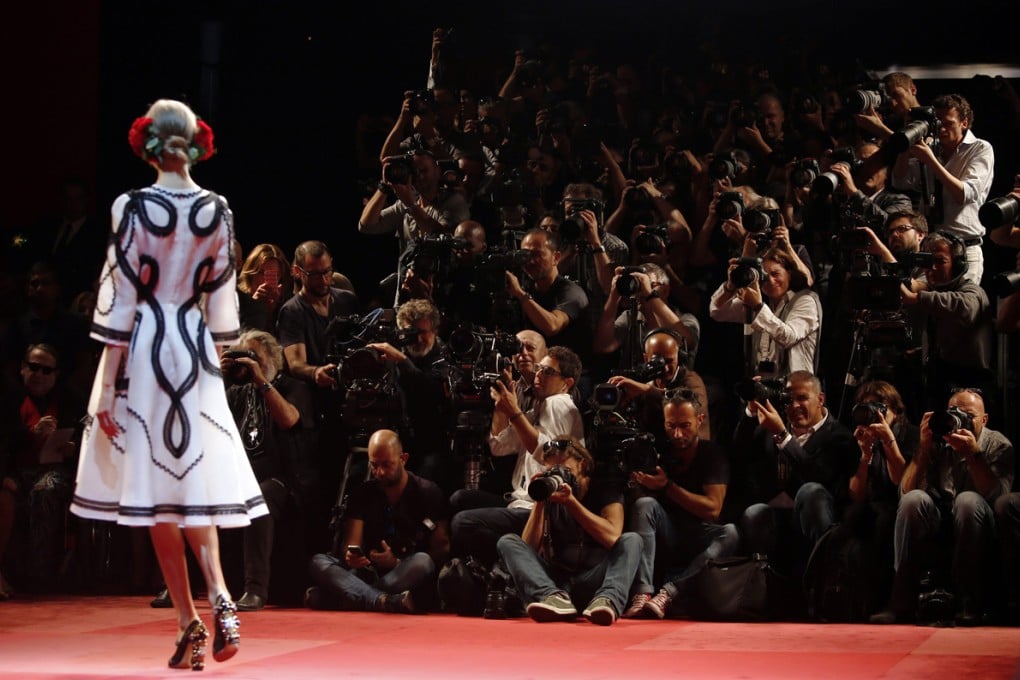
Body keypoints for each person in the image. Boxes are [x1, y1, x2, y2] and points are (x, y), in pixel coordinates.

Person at [69, 100, 267, 670]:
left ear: (150, 144)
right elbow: (224, 305)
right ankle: (221, 595)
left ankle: (189, 621)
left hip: (148, 342)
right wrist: (211, 354)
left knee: (159, 493)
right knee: (193, 483)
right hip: (194, 344)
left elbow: (121, 298)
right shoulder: (217, 207)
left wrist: (106, 385)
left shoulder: (131, 206)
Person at [872, 388, 1013, 626]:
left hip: (979, 522)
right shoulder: (938, 439)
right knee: (913, 500)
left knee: (968, 500)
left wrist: (973, 455)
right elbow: (904, 491)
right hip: (941, 517)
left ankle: (969, 603)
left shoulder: (998, 445)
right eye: (954, 413)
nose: (960, 421)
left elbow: (997, 496)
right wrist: (923, 449)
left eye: (968, 415)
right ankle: (900, 602)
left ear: (984, 419)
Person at [450, 345, 584, 567]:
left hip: (541, 508)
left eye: (548, 372)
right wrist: (503, 405)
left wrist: (514, 412)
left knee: (463, 522)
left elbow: (548, 455)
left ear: (567, 383)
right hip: (519, 500)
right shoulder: (537, 409)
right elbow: (499, 446)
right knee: (460, 499)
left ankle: (520, 560)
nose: (539, 375)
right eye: (539, 369)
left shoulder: (558, 403)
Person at [496, 436, 641, 626]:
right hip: (558, 582)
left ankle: (608, 601)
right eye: (552, 471)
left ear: (581, 464)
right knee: (508, 542)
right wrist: (540, 500)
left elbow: (612, 536)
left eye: (564, 469)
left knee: (632, 540)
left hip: (594, 580)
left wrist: (571, 503)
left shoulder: (604, 486)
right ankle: (551, 597)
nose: (559, 475)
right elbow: (528, 548)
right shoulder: (550, 492)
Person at [727, 371, 858, 580]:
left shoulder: (839, 436)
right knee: (755, 513)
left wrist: (783, 436)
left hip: (816, 520)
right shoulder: (773, 424)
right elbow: (739, 453)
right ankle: (763, 585)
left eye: (803, 398)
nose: (795, 406)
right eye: (789, 399)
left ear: (820, 399)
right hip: (777, 519)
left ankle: (827, 581)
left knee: (811, 491)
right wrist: (751, 411)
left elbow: (818, 476)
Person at [220, 330, 317, 611]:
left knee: (259, 498)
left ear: (274, 359)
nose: (249, 365)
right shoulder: (237, 393)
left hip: (284, 481)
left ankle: (255, 590)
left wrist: (261, 381)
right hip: (243, 476)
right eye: (244, 358)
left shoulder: (293, 387)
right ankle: (183, 585)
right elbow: (208, 417)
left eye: (255, 358)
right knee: (197, 492)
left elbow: (288, 419)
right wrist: (220, 376)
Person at [306, 429, 450, 613]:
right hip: (366, 574)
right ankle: (382, 600)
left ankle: (349, 598)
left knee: (423, 562)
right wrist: (352, 558)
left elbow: (442, 549)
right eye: (374, 465)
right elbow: (351, 544)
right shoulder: (362, 493)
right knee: (318, 561)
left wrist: (396, 562)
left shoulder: (428, 492)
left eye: (386, 465)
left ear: (403, 459)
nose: (379, 472)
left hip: (403, 574)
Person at [623, 390, 738, 619]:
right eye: (671, 425)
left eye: (685, 425)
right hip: (668, 531)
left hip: (700, 533)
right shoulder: (656, 452)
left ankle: (668, 592)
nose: (677, 434)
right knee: (644, 504)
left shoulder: (712, 453)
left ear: (700, 420)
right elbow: (640, 508)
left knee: (730, 533)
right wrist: (636, 482)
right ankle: (643, 593)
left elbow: (713, 510)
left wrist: (667, 487)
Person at [0, 343, 86, 594]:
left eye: (46, 370)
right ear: (22, 369)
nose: (38, 374)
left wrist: (74, 448)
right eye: (33, 368)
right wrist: (30, 435)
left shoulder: (71, 399)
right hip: (14, 471)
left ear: (56, 374)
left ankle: (40, 575)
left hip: (55, 470)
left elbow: (86, 436)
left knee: (45, 490)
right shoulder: (8, 401)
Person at [891, 94, 994, 284]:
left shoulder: (980, 148)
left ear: (964, 123)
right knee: (930, 308)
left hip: (964, 248)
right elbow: (900, 181)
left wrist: (931, 161)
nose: (942, 129)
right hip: (931, 248)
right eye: (938, 123)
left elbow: (965, 194)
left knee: (958, 309)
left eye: (948, 123)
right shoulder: (932, 147)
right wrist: (907, 139)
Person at [901, 231, 995, 408]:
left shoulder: (972, 291)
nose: (933, 268)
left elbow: (965, 307)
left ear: (958, 265)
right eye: (929, 262)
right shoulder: (937, 291)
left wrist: (917, 298)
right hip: (940, 381)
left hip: (970, 389)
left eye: (940, 261)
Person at [709, 247, 822, 379]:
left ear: (789, 274)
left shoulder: (805, 300)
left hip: (794, 391)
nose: (771, 281)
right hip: (760, 386)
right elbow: (717, 312)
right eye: (765, 276)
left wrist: (757, 306)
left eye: (776, 274)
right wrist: (730, 285)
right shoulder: (757, 301)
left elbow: (788, 336)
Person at [236, 243, 292, 333]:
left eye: (274, 274)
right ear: (251, 274)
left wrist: (274, 310)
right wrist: (253, 306)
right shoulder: (238, 302)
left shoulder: (287, 305)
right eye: (261, 273)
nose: (265, 280)